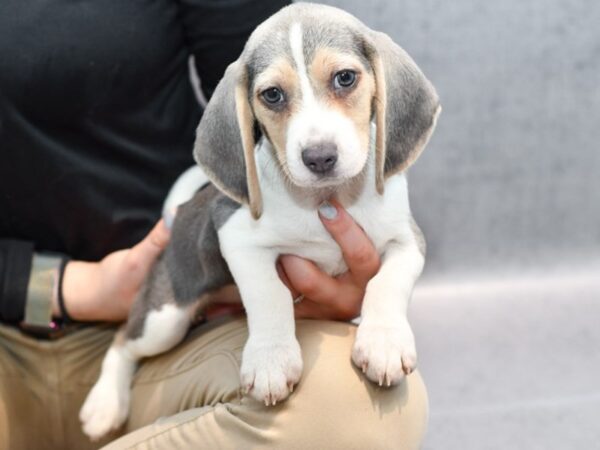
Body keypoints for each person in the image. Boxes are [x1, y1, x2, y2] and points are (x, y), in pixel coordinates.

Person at [0, 0, 428, 448]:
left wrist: (378, 308)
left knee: (362, 407)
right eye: (275, 97)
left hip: (195, 338)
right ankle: (119, 360)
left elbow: (272, 46)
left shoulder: (291, 60)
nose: (317, 144)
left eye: (344, 80)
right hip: (59, 333)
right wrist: (75, 287)